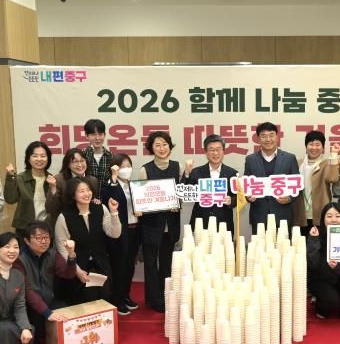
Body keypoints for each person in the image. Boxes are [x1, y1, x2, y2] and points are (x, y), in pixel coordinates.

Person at [54, 178, 121, 304]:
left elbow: (115, 234)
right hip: (79, 267)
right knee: (87, 300)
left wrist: (114, 213)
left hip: (101, 264)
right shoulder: (64, 216)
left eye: (88, 190)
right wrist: (77, 270)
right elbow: (62, 248)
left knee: (104, 298)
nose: (86, 194)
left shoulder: (100, 208)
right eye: (81, 191)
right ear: (73, 195)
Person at [12, 221, 76, 344]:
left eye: (46, 237)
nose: (44, 241)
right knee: (36, 316)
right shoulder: (19, 260)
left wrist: (71, 255)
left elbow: (68, 274)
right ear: (27, 241)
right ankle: (36, 341)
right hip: (27, 304)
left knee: (65, 311)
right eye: (38, 238)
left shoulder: (52, 254)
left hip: (48, 299)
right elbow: (27, 291)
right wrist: (47, 312)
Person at [140, 131, 181, 312]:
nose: (162, 148)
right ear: (151, 148)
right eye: (157, 145)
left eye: (165, 144)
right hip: (151, 224)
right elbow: (141, 197)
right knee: (150, 264)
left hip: (170, 224)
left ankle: (167, 298)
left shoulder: (178, 167)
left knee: (166, 263)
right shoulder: (145, 170)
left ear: (170, 147)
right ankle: (154, 300)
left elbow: (183, 192)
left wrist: (177, 203)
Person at [101, 154, 142, 316]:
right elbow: (108, 198)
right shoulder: (111, 185)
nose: (126, 169)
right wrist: (114, 178)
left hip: (135, 229)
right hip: (120, 231)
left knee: (130, 265)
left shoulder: (134, 185)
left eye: (128, 166)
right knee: (119, 266)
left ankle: (125, 295)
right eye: (122, 166)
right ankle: (116, 299)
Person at [307, 203, 340, 321]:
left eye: (337, 216)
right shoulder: (316, 234)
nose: (334, 220)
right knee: (330, 301)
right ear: (323, 219)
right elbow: (313, 265)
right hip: (320, 278)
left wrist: (337, 267)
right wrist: (314, 240)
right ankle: (320, 306)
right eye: (329, 216)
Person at [244, 122, 300, 232]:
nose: (268, 139)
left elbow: (298, 186)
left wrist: (289, 198)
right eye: (264, 136)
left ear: (277, 137)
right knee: (258, 243)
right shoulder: (250, 160)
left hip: (282, 215)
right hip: (259, 215)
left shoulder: (289, 158)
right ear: (258, 139)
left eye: (271, 135)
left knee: (283, 243)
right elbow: (246, 185)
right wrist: (248, 196)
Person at [181, 134, 239, 235]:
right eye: (212, 150)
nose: (215, 153)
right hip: (200, 222)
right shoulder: (196, 172)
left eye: (218, 149)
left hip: (223, 223)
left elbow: (239, 198)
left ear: (223, 151)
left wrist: (231, 200)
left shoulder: (232, 173)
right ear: (206, 152)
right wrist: (186, 173)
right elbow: (184, 192)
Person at [292, 131, 340, 235]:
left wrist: (334, 154)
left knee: (320, 242)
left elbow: (333, 178)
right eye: (311, 144)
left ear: (323, 148)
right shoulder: (297, 163)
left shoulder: (327, 163)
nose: (314, 148)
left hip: (320, 212)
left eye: (318, 144)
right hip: (300, 213)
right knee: (301, 241)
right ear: (306, 146)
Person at [5, 141, 54, 238]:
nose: (39, 159)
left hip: (46, 227)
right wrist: (10, 177)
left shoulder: (52, 179)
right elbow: (10, 199)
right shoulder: (20, 178)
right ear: (28, 158)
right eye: (35, 156)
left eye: (43, 156)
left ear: (48, 158)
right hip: (25, 229)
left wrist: (53, 187)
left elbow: (55, 206)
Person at [45, 148, 99, 230]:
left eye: (82, 161)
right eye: (75, 162)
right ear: (68, 165)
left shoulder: (92, 180)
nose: (80, 165)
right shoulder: (59, 180)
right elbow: (50, 208)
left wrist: (95, 201)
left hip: (86, 224)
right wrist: (53, 188)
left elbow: (92, 203)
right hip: (63, 225)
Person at [82, 118, 113, 194]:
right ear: (86, 136)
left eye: (100, 134)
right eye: (93, 134)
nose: (97, 138)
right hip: (87, 198)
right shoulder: (82, 155)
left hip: (106, 199)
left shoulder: (111, 157)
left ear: (104, 135)